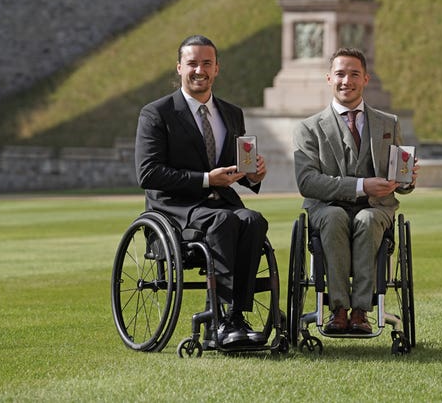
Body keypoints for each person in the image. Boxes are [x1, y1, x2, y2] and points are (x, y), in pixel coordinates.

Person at [135, 34, 268, 347]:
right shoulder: (156, 114)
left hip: (220, 203)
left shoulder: (232, 113)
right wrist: (207, 179)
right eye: (192, 63)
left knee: (253, 220)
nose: (199, 70)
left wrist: (253, 174)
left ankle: (236, 314)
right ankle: (222, 318)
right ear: (179, 67)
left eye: (206, 63)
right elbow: (148, 172)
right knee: (225, 222)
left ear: (217, 68)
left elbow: (235, 168)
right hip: (175, 210)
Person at [293, 47, 419, 334]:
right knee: (336, 216)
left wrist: (407, 179)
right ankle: (339, 309)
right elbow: (307, 182)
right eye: (340, 74)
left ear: (366, 79)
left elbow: (400, 180)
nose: (346, 81)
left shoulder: (389, 123)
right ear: (329, 78)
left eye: (354, 74)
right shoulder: (308, 128)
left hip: (375, 209)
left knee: (368, 219)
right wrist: (362, 185)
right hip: (326, 209)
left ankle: (361, 310)